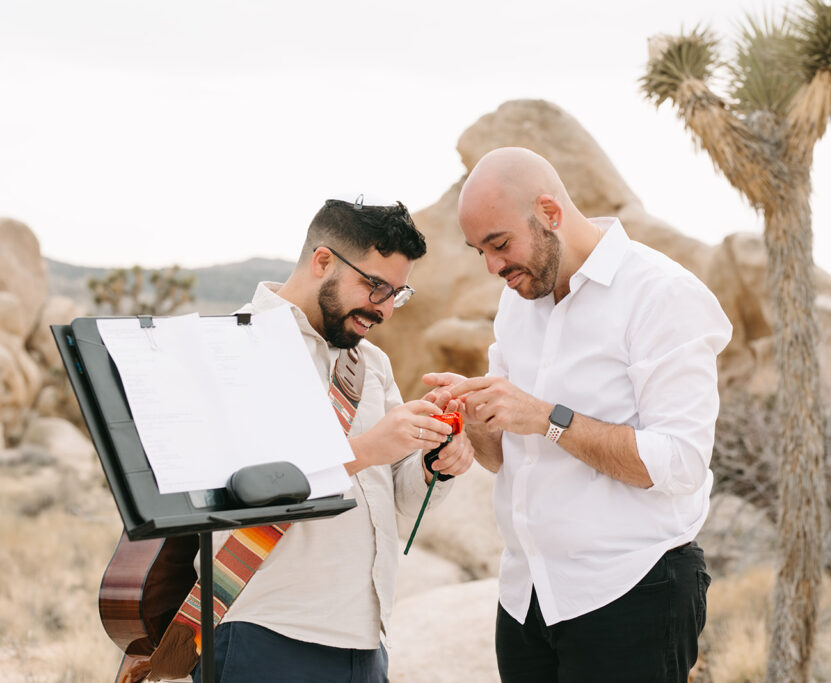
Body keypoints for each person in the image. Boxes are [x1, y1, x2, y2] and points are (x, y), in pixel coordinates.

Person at [424, 148, 732, 682]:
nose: (494, 267)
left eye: (500, 244)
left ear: (549, 211)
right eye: (481, 252)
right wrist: (474, 415)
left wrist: (547, 417)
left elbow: (680, 464)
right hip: (526, 598)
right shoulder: (517, 302)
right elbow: (501, 458)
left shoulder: (662, 295)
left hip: (631, 594)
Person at [194, 196, 474, 682]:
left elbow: (402, 499)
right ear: (323, 260)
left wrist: (434, 463)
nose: (384, 308)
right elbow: (240, 489)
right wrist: (367, 449)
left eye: (397, 294)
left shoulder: (372, 365)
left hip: (364, 642)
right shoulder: (236, 345)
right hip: (264, 633)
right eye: (376, 286)